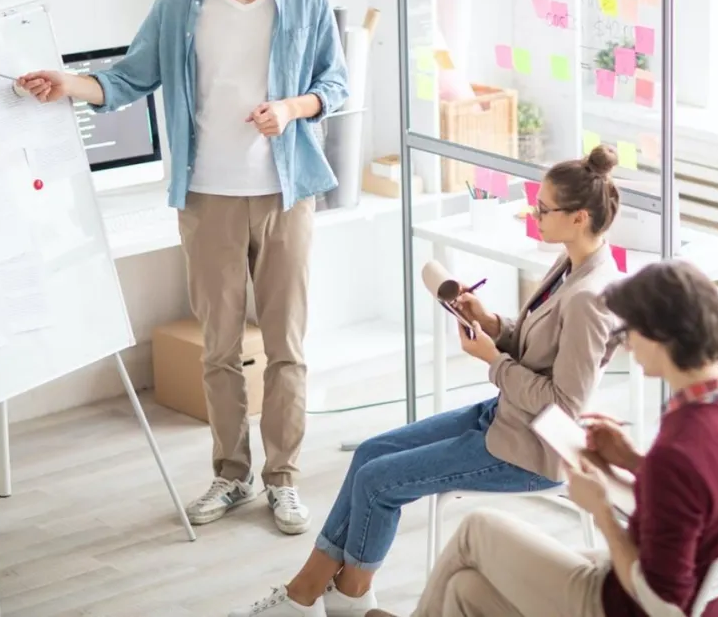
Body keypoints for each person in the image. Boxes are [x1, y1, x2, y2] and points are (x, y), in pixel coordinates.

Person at [16, 0, 348, 535]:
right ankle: (231, 473)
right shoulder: (181, 5)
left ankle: (283, 479)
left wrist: (291, 107)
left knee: (286, 345)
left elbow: (334, 84)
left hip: (286, 193)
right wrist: (66, 82)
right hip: (208, 198)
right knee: (219, 348)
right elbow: (126, 78)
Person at [229, 145, 625, 617]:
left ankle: (327, 596)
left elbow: (566, 403)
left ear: (579, 217)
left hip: (531, 451)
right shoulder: (569, 266)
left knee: (378, 482)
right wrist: (493, 323)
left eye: (543, 209)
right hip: (506, 418)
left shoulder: (589, 297)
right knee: (371, 453)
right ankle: (326, 594)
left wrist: (491, 362)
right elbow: (541, 351)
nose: (534, 214)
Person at [365, 259, 718, 617]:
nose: (626, 345)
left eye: (629, 332)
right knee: (464, 593)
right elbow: (703, 498)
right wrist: (634, 461)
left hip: (628, 602)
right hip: (709, 600)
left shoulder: (681, 446)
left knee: (478, 527)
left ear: (660, 336)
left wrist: (600, 509)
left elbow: (662, 605)